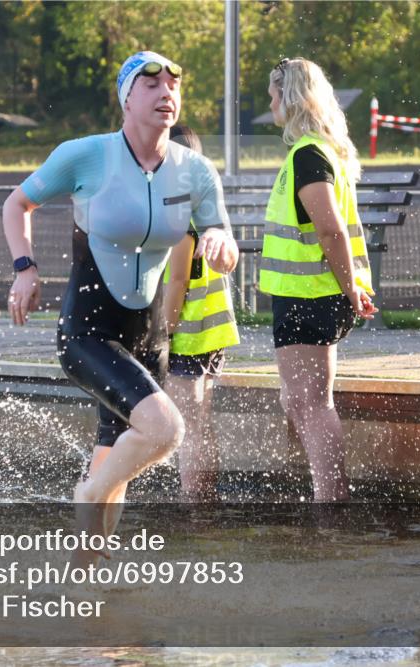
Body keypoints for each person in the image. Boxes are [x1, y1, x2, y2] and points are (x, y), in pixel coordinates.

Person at [2, 52, 238, 522]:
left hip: (150, 337)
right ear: (126, 99)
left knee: (118, 455)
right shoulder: (86, 155)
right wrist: (25, 267)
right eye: (150, 85)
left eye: (173, 84)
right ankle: (88, 494)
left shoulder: (195, 170)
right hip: (89, 332)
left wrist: (218, 240)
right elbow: (17, 203)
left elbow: (223, 236)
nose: (165, 92)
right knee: (165, 431)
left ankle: (88, 575)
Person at [260, 57, 378, 502]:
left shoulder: (309, 155)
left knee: (311, 403)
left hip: (310, 294)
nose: (270, 104)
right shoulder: (318, 151)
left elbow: (329, 228)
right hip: (307, 295)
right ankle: (329, 491)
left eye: (273, 96)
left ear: (288, 98)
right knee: (301, 402)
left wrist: (350, 289)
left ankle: (331, 496)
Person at [162, 125, 241, 501]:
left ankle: (193, 500)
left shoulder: (179, 217)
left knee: (188, 426)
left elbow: (177, 282)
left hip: (188, 333)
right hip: (212, 333)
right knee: (200, 422)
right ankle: (204, 498)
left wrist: (164, 330)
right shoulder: (205, 210)